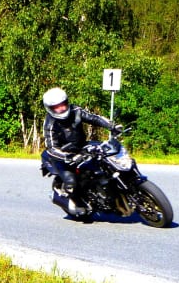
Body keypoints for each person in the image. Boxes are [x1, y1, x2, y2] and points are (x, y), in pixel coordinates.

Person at [40, 86, 120, 217]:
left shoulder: (75, 111)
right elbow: (51, 148)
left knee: (106, 159)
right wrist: (69, 157)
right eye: (57, 107)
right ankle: (75, 202)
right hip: (63, 156)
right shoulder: (50, 124)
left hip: (81, 146)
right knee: (71, 181)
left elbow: (93, 118)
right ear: (50, 108)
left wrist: (111, 126)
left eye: (63, 104)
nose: (61, 108)